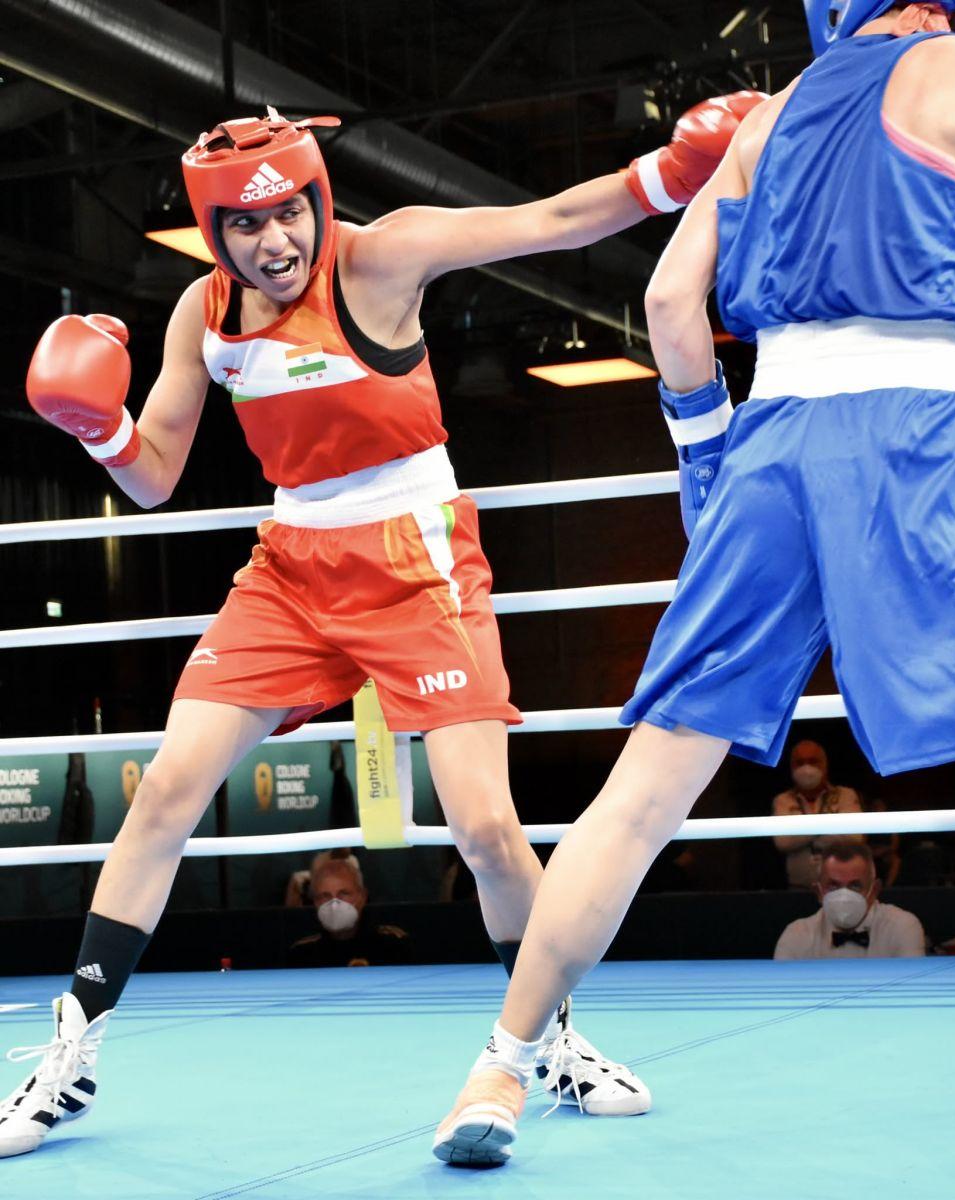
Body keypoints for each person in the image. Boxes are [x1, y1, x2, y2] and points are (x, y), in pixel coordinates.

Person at [435, 5, 955, 1196]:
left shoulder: (764, 120)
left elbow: (671, 313)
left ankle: (498, 1065)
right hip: (911, 434)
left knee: (639, 798)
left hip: (771, 450)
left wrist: (710, 462)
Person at [0, 92, 766, 1159]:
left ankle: (549, 1043)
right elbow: (154, 478)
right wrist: (102, 428)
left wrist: (671, 175)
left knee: (487, 830)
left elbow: (548, 221)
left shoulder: (382, 257)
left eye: (287, 216)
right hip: (290, 567)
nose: (275, 242)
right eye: (246, 227)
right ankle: (67, 1059)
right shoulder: (201, 315)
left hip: (417, 558)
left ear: (316, 199)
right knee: (168, 787)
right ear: (216, 233)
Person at [773, 840, 924, 959]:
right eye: (833, 886)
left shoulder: (902, 927)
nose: (844, 896)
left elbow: (912, 994)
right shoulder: (796, 936)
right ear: (818, 892)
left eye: (855, 886)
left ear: (875, 890)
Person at [286, 855, 411, 967]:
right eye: (325, 896)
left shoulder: (391, 945)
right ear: (315, 902)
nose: (334, 904)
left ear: (362, 897)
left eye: (344, 894)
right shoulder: (303, 953)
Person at [772, 739, 862, 888]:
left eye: (813, 761)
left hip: (841, 887)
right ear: (791, 767)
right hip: (798, 888)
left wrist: (802, 831)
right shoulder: (783, 800)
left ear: (825, 765)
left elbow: (854, 838)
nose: (806, 768)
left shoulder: (846, 795)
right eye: (799, 762)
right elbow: (783, 841)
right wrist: (830, 824)